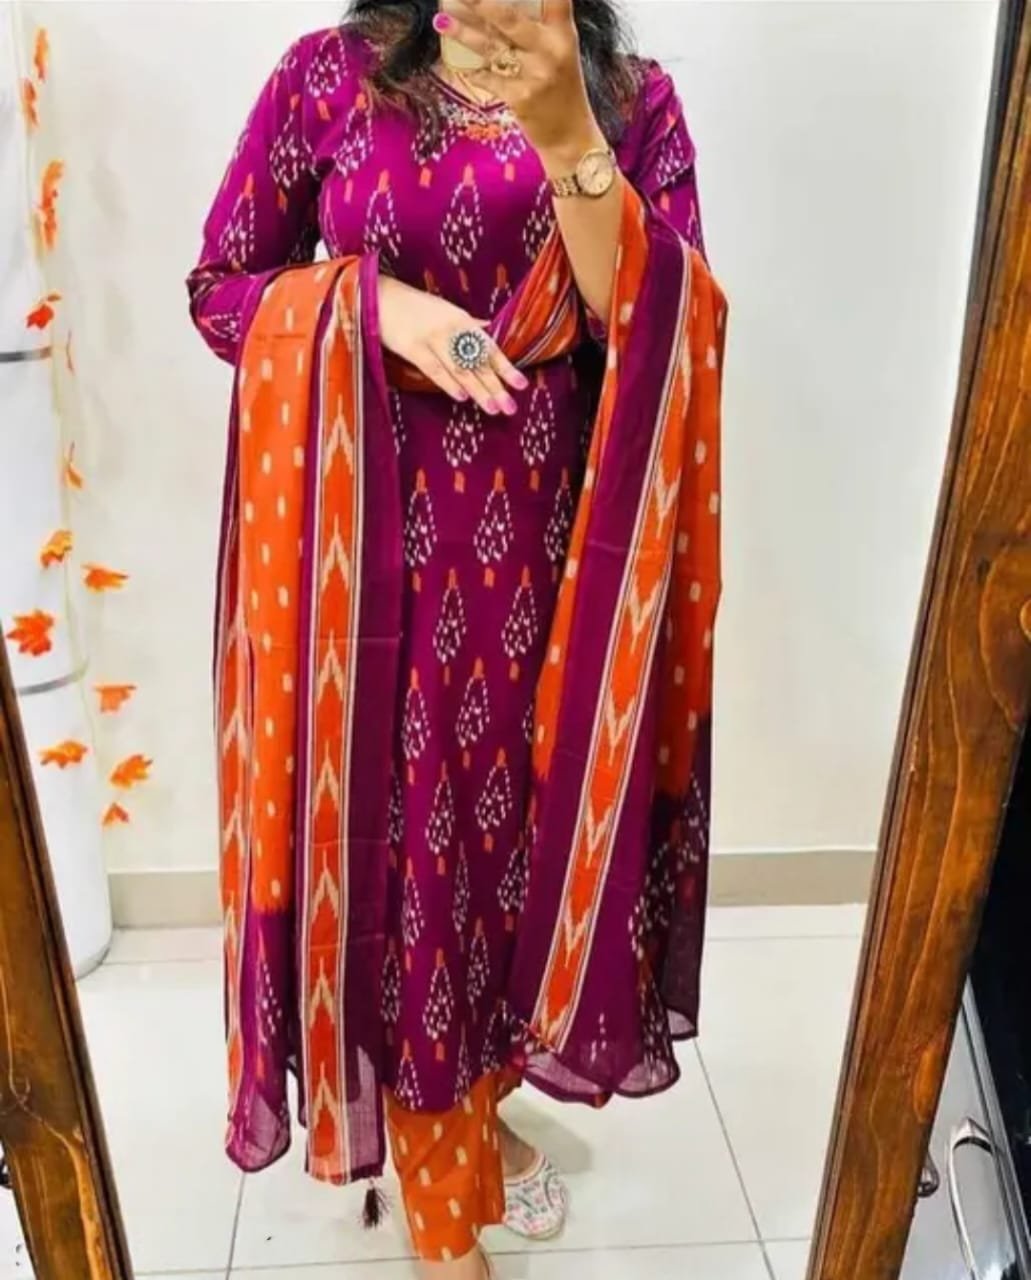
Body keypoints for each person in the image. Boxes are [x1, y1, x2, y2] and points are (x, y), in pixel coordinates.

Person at [187, 3, 721, 1277]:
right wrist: (373, 307)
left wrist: (568, 133)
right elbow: (221, 291)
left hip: (555, 565)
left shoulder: (631, 99)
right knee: (413, 871)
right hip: (371, 568)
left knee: (513, 863)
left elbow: (657, 332)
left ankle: (476, 1110)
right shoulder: (330, 77)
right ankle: (442, 1232)